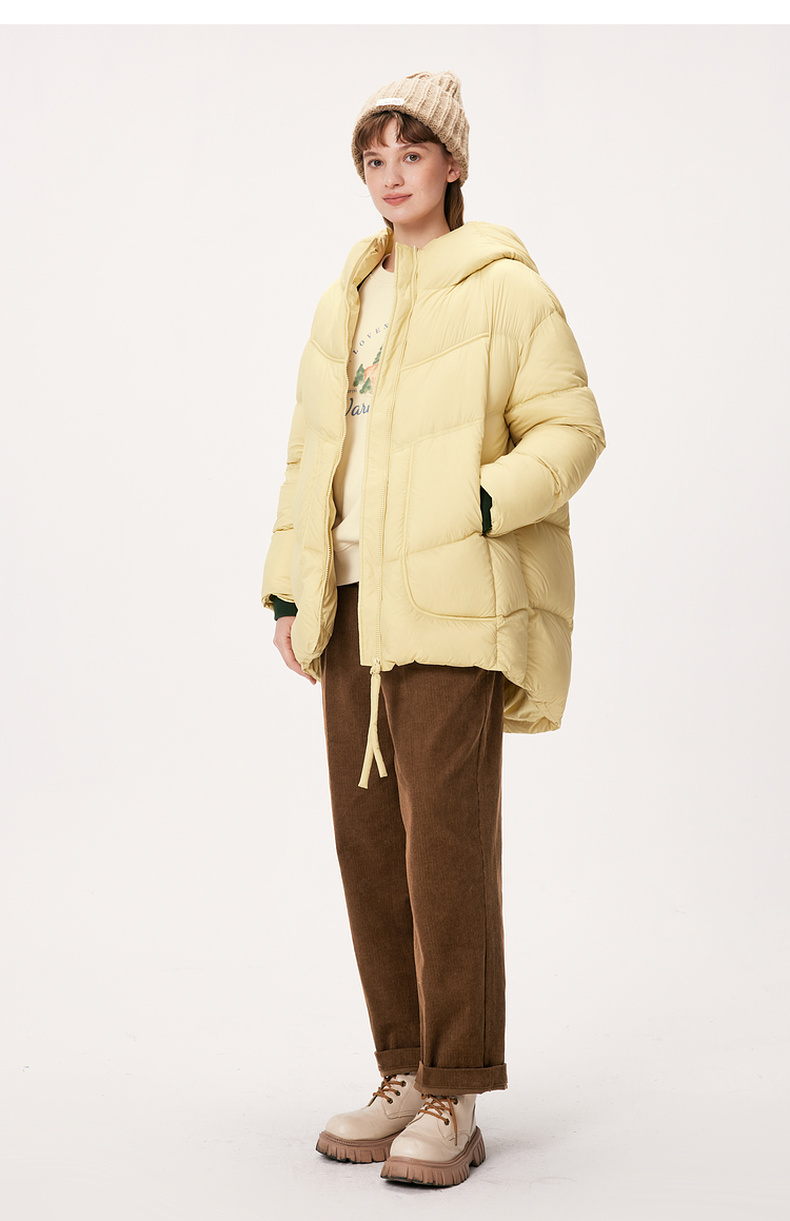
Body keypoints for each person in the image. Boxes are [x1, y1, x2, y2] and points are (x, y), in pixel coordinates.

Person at [261, 69, 605, 1189]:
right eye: (374, 159)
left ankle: (456, 1089)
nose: (390, 176)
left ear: (452, 165)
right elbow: (312, 454)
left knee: (446, 848)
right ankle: (402, 1068)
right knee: (368, 846)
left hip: (453, 603)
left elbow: (571, 428)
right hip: (353, 600)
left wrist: (478, 504)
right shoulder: (346, 298)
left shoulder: (505, 289)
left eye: (410, 155)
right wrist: (289, 588)